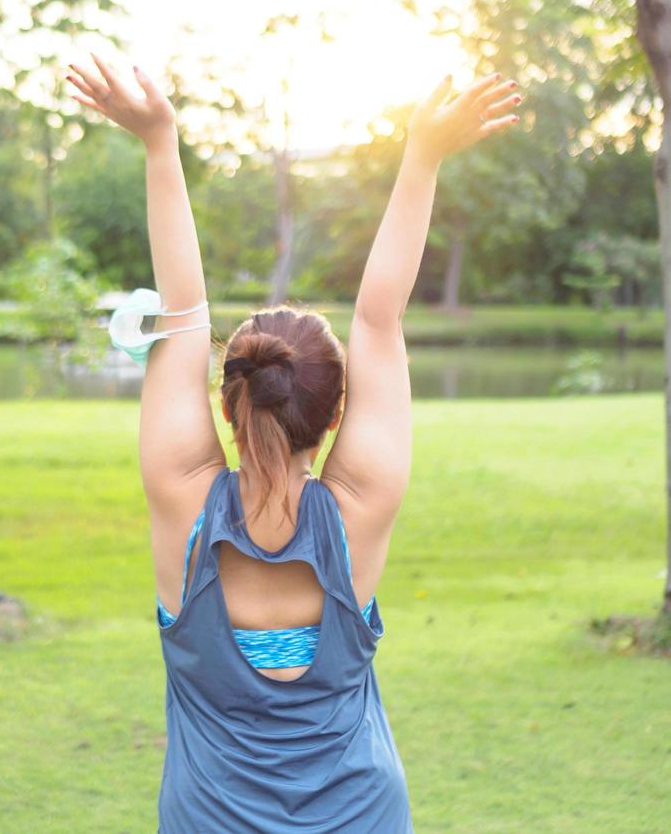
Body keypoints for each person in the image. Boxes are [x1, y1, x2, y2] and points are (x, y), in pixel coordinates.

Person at [67, 54, 522, 832]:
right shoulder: (360, 505)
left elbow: (183, 310)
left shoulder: (183, 498)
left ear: (226, 399)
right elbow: (378, 317)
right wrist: (421, 155)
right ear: (336, 408)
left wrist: (159, 142)